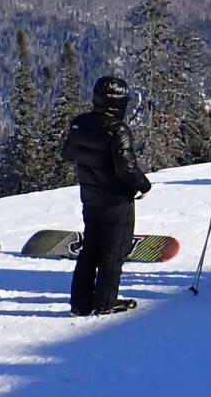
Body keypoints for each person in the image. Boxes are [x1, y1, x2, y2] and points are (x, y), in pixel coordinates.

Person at [59, 75, 152, 316]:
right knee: (114, 251)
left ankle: (80, 303)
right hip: (116, 199)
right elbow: (126, 168)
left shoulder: (80, 123)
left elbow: (67, 154)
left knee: (90, 248)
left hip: (90, 194)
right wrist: (144, 185)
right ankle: (105, 301)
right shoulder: (117, 129)